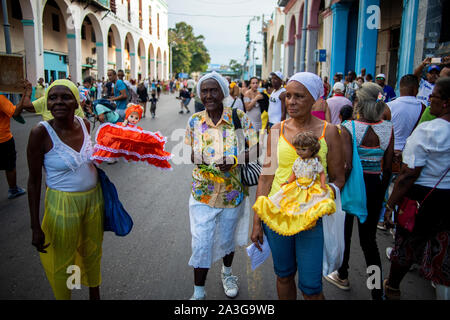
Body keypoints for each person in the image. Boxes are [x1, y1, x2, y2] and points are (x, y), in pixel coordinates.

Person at [251, 72, 345, 300]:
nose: (291, 102)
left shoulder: (330, 132)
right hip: (277, 215)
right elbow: (265, 178)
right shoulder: (276, 130)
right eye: (288, 96)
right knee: (283, 275)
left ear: (314, 99)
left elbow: (338, 177)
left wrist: (321, 195)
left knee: (311, 287)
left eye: (299, 96)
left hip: (311, 219)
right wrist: (257, 221)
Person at [27, 80, 104, 300]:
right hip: (62, 205)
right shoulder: (40, 133)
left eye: (65, 97)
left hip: (93, 201)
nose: (58, 102)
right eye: (53, 98)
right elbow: (33, 182)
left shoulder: (85, 124)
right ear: (47, 103)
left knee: (92, 251)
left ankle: (94, 295)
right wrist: (35, 226)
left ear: (77, 101)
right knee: (64, 259)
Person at [185, 71, 258, 300]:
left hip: (231, 193)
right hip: (202, 193)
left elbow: (256, 149)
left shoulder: (239, 118)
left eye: (213, 90)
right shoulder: (195, 121)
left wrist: (235, 160)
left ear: (223, 92)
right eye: (204, 91)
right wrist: (200, 159)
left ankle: (227, 274)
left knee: (227, 240)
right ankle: (199, 291)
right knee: (201, 242)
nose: (208, 95)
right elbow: (189, 153)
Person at [325, 82, 394, 300]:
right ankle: (376, 291)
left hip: (352, 187)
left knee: (345, 234)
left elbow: (347, 166)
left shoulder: (349, 127)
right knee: (369, 242)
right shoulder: (388, 128)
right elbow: (390, 166)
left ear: (359, 103)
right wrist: (382, 195)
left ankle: (342, 274)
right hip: (375, 188)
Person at [383, 77, 450, 300]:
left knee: (407, 246)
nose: (430, 100)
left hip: (422, 197)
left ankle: (392, 288)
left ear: (446, 102)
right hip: (446, 198)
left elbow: (409, 174)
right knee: (443, 250)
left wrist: (390, 203)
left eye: (434, 96)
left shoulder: (430, 130)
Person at [253, 131, 336, 235]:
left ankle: (306, 219)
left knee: (312, 205)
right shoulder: (298, 162)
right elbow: (294, 174)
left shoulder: (315, 162)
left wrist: (323, 184)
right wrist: (287, 182)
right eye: (297, 149)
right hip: (298, 185)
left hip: (311, 185)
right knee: (288, 202)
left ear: (312, 150)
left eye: (303, 149)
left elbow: (322, 173)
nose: (299, 152)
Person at [0, 81, 30, 199]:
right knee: (9, 166)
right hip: (3, 139)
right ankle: (13, 189)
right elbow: (15, 112)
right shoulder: (1, 99)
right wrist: (25, 95)